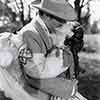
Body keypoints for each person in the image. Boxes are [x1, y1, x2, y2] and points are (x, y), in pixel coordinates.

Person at [15, 0, 87, 100]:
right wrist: (67, 88)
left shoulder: (47, 31)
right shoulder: (30, 34)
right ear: (47, 16)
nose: (64, 23)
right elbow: (35, 74)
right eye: (61, 20)